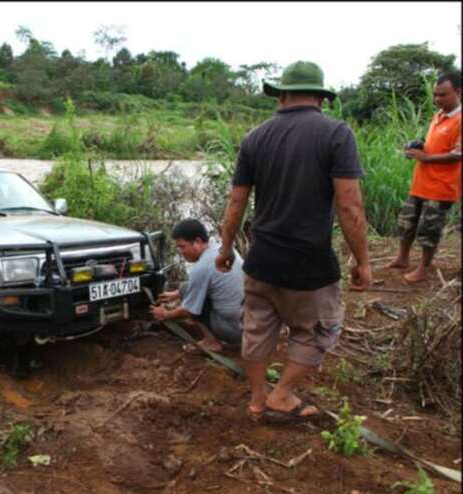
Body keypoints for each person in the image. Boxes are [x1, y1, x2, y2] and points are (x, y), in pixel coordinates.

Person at [215, 61, 371, 422]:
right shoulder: (336, 134)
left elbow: (236, 201)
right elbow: (349, 205)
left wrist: (225, 250)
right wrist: (362, 261)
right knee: (316, 330)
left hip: (261, 260)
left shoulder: (255, 137)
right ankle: (281, 395)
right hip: (309, 264)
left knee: (255, 328)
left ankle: (257, 399)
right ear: (321, 98)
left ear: (282, 95)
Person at [388, 71, 462, 283]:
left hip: (442, 186)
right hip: (422, 182)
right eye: (435, 95)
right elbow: (434, 144)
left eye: (443, 95)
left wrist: (426, 158)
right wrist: (417, 147)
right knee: (406, 222)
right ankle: (402, 258)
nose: (437, 99)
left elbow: (458, 154)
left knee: (429, 229)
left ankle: (423, 268)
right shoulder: (439, 116)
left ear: (458, 92)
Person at [150, 218, 244, 353]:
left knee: (189, 297)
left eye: (182, 246)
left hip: (233, 331)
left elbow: (189, 311)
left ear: (198, 242)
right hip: (250, 325)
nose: (180, 252)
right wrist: (176, 294)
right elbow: (208, 281)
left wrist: (166, 314)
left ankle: (211, 342)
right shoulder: (224, 249)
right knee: (184, 289)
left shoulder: (201, 268)